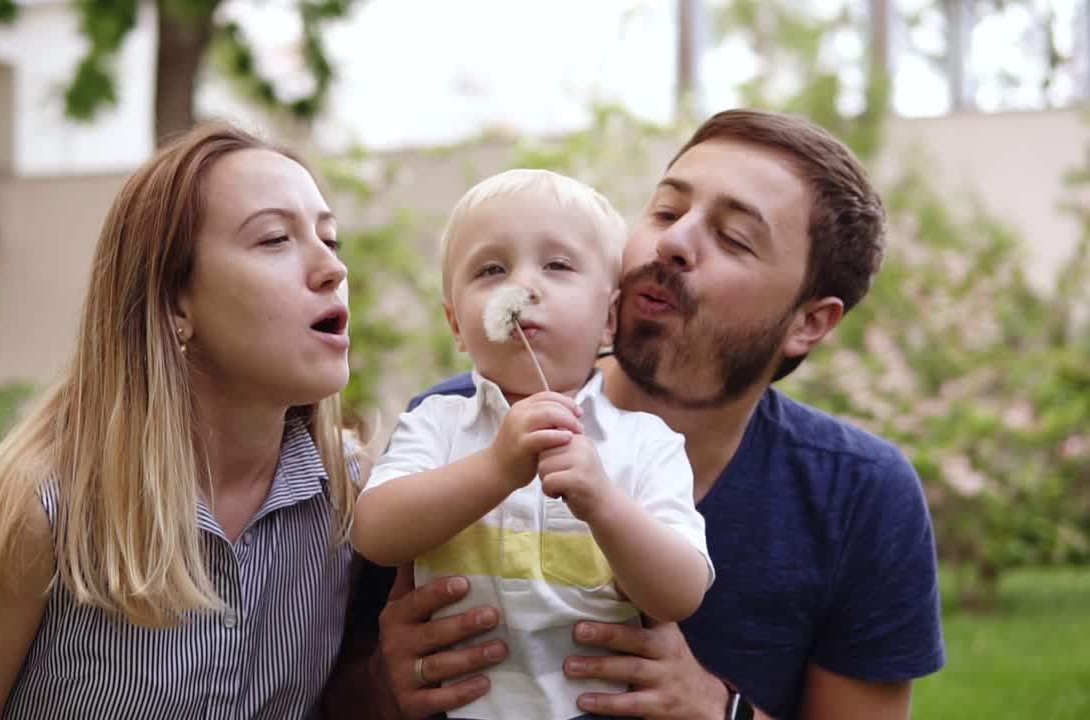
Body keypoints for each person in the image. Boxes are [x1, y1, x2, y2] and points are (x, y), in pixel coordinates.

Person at [358, 109, 946, 720]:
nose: (674, 241)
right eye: (666, 211)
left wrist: (717, 710)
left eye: (734, 237)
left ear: (809, 323)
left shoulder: (861, 495)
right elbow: (328, 690)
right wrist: (384, 683)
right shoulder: (454, 426)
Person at [0, 123, 361, 719]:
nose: (331, 269)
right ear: (173, 302)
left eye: (330, 239)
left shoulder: (349, 495)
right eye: (273, 240)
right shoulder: (38, 515)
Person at [350, 170, 713, 720]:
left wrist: (602, 501)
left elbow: (679, 594)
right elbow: (374, 533)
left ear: (610, 318)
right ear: (455, 324)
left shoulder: (646, 444)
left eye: (557, 265)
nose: (520, 287)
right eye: (491, 269)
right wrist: (497, 467)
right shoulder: (439, 424)